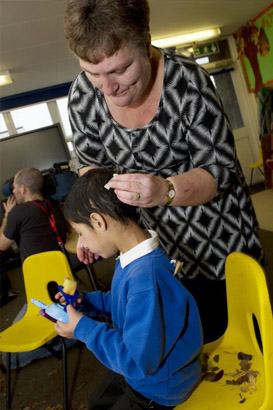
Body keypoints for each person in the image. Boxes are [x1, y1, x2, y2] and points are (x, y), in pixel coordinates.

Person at [64, 0, 264, 342]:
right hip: (155, 254)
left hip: (219, 240)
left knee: (241, 346)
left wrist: (165, 191)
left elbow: (220, 171)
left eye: (119, 69)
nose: (107, 87)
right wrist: (90, 226)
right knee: (182, 347)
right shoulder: (84, 96)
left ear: (145, 42)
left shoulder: (187, 83)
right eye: (93, 72)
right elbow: (92, 175)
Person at [55, 167, 203, 410]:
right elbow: (124, 303)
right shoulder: (133, 257)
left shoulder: (146, 279)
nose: (82, 244)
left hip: (159, 387)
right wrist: (87, 301)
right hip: (146, 367)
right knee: (96, 402)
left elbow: (136, 361)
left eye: (81, 234)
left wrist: (82, 328)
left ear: (98, 221)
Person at [0, 167, 72, 369]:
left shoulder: (18, 213)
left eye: (14, 188)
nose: (12, 192)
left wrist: (7, 215)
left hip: (41, 294)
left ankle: (70, 337)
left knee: (9, 357)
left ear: (22, 189)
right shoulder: (54, 204)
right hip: (64, 285)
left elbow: (2, 245)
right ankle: (68, 327)